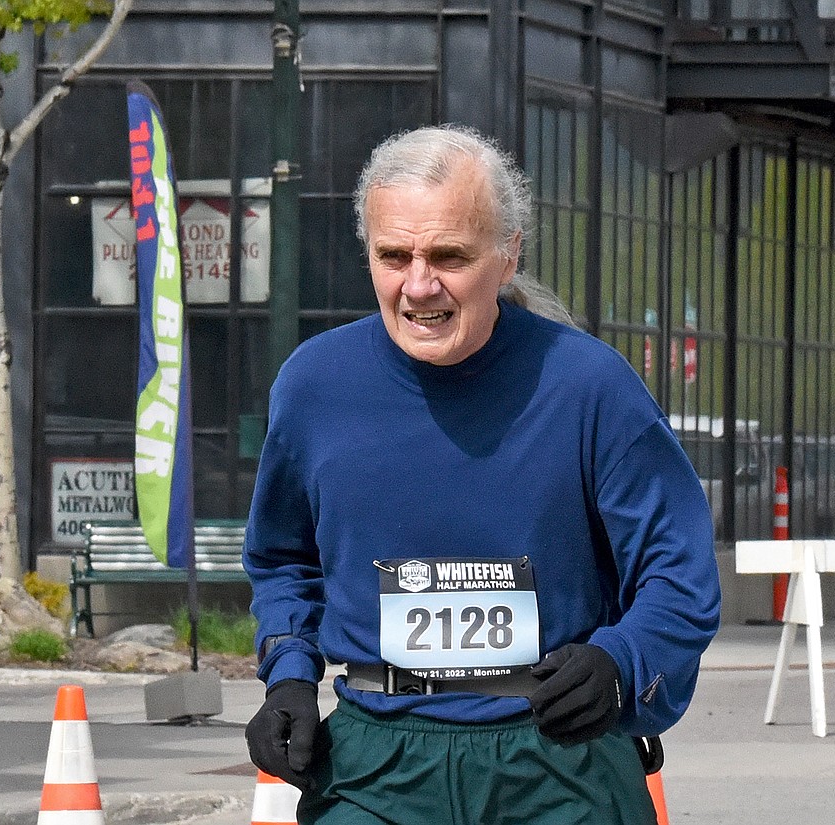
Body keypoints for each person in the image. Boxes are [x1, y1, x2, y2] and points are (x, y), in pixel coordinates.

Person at [242, 124, 721, 824]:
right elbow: (283, 558)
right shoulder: (314, 387)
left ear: (508, 254)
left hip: (562, 765)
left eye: (449, 256)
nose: (419, 284)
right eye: (393, 255)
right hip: (375, 769)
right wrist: (287, 674)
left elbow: (678, 570)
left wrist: (620, 663)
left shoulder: (590, 387)